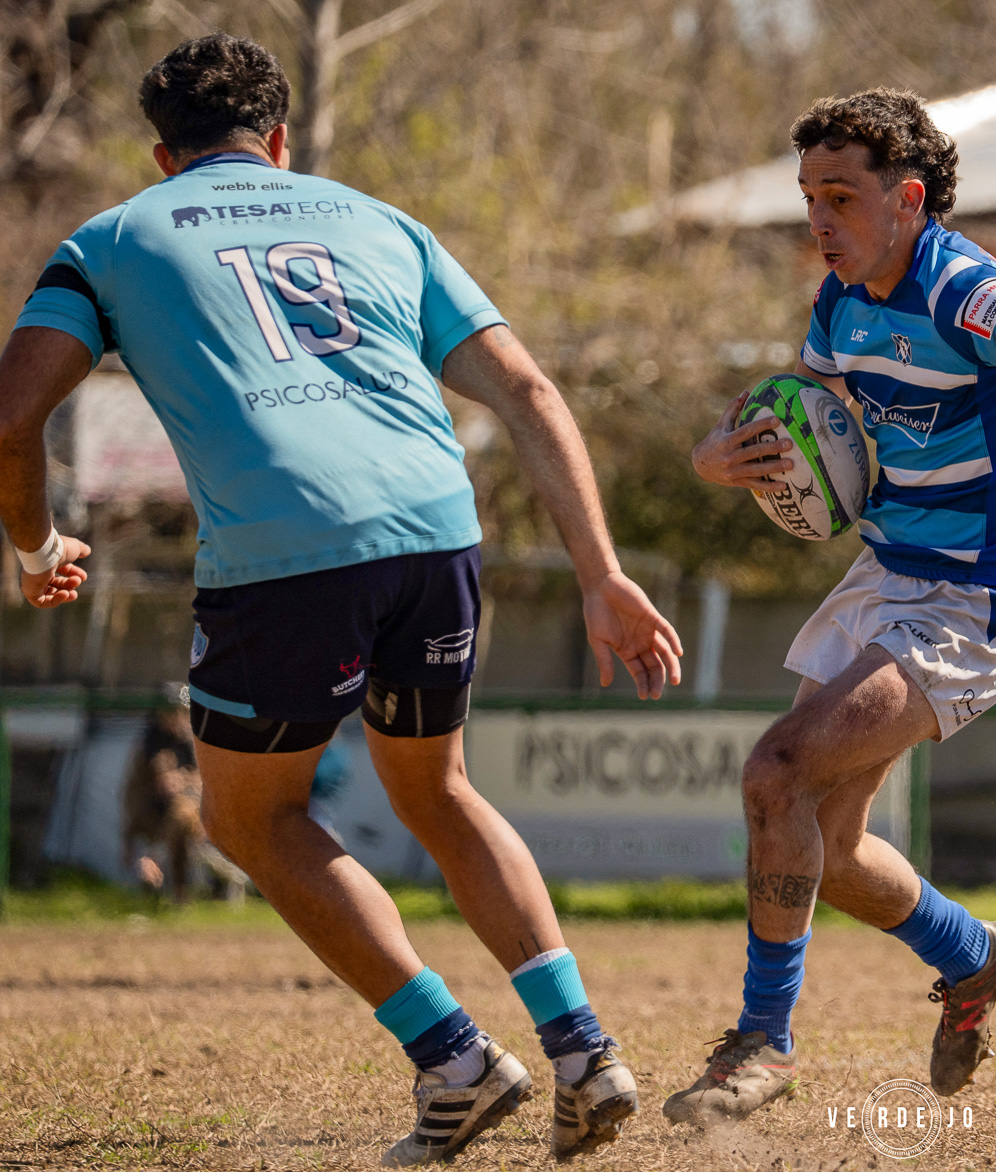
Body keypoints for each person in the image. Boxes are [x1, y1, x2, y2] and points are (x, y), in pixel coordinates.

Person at [0, 34, 682, 1167]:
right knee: (438, 788)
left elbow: (12, 416)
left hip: (288, 549)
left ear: (163, 155)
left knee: (244, 815)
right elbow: (528, 388)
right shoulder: (375, 218)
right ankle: (584, 1050)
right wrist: (602, 571)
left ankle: (456, 1059)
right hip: (435, 526)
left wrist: (34, 544)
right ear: (277, 140)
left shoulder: (112, 238)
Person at [668, 89, 996, 1125]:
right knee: (832, 840)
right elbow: (799, 424)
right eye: (809, 194)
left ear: (908, 198)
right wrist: (722, 457)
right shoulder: (839, 300)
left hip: (967, 600)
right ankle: (973, 954)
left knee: (776, 773)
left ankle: (764, 1042)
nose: (819, 218)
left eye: (841, 196)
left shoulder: (970, 297)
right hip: (884, 576)